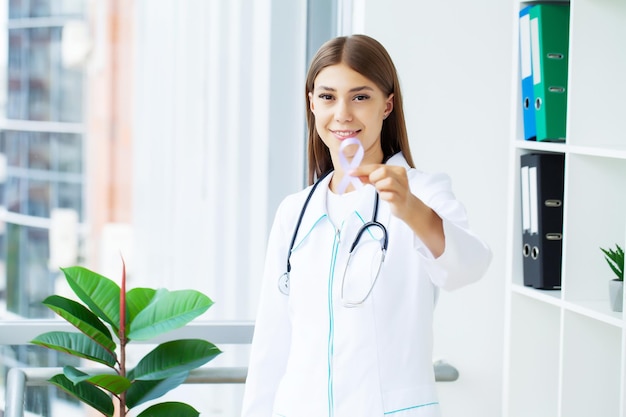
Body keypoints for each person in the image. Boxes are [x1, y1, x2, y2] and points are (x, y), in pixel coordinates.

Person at [241, 34, 492, 417]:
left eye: (360, 97)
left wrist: (411, 208)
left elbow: (469, 267)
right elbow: (270, 349)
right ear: (312, 103)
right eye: (327, 97)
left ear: (387, 105)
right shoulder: (294, 213)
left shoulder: (421, 192)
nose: (342, 113)